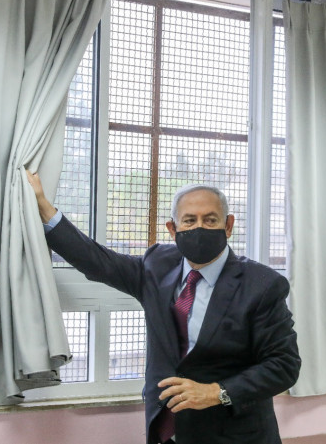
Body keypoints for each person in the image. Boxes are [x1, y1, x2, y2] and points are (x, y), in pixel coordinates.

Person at [26, 170, 301, 444]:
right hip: (168, 430)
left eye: (210, 220)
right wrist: (43, 207)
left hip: (235, 434)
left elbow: (284, 365)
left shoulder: (262, 285)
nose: (199, 228)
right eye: (189, 221)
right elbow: (97, 261)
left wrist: (216, 392)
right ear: (173, 229)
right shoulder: (156, 265)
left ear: (228, 225)